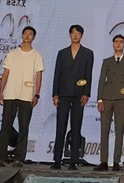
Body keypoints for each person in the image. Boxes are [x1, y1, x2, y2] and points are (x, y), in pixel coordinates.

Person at [0, 26, 44, 168]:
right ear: (22, 35)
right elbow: (5, 73)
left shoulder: (37, 55)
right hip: (10, 93)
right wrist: (1, 92)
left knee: (23, 128)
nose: (27, 36)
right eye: (25, 33)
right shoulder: (12, 53)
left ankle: (19, 159)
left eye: (30, 34)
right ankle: (1, 157)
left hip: (27, 95)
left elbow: (39, 76)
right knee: (6, 126)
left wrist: (36, 94)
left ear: (33, 37)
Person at [50, 25, 94, 170]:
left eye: (78, 33)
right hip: (63, 94)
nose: (75, 35)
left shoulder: (88, 53)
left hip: (78, 95)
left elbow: (88, 74)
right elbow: (57, 73)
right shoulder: (62, 53)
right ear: (69, 35)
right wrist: (55, 93)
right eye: (73, 33)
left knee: (76, 127)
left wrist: (86, 93)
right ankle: (57, 159)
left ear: (82, 36)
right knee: (60, 127)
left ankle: (74, 160)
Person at [94, 34, 124, 172]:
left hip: (122, 100)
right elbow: (101, 80)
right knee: (104, 131)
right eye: (116, 42)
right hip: (107, 98)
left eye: (121, 42)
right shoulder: (107, 61)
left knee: (119, 131)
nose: (118, 44)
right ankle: (103, 161)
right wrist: (100, 99)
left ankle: (117, 161)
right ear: (113, 44)